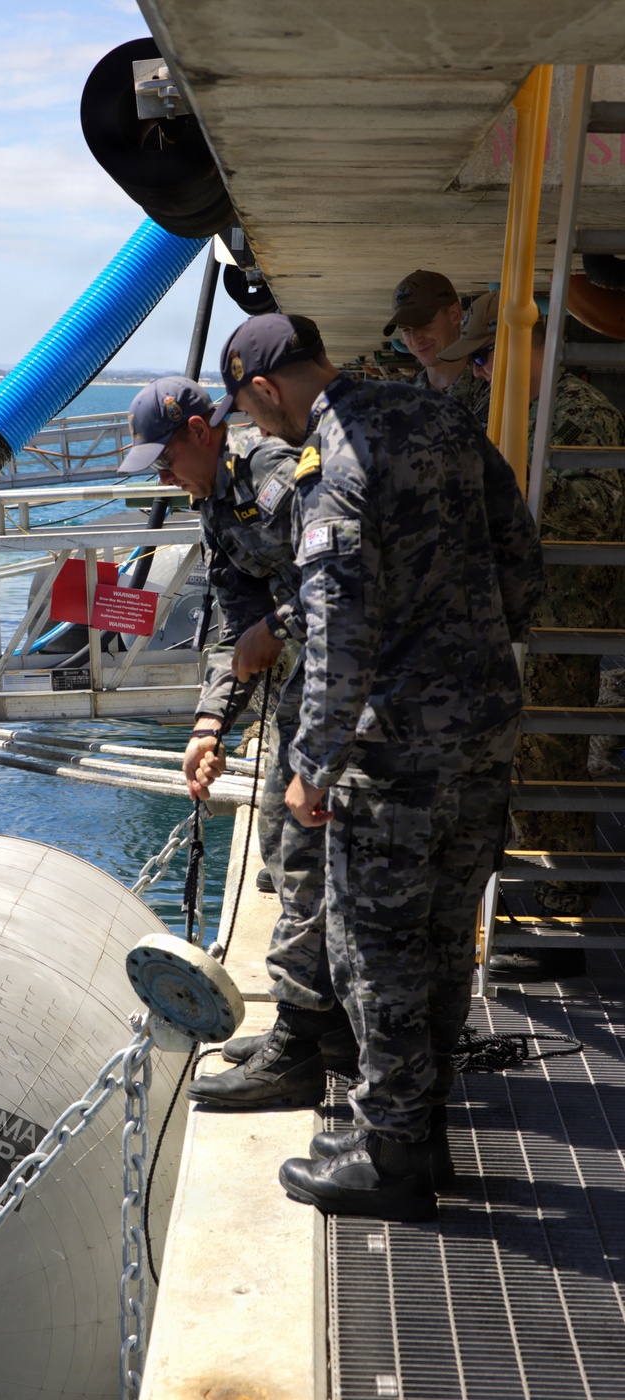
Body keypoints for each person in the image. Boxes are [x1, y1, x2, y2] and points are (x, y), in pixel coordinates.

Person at [211, 312, 544, 1220]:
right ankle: (415, 1132)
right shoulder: (440, 418)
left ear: (266, 388)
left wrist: (312, 764)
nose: (255, 427)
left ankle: (394, 1161)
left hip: (394, 748)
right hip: (483, 725)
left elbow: (338, 629)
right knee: (443, 936)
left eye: (248, 406)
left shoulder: (331, 463)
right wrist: (481, 650)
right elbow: (520, 552)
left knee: (378, 950)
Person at [118, 373, 359, 1109]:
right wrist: (208, 726)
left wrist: (274, 632)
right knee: (285, 848)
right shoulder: (216, 504)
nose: (162, 476)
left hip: (349, 682)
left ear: (202, 432)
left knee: (302, 850)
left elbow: (338, 577)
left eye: (165, 459)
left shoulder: (277, 477)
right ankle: (323, 1031)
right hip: (303, 678)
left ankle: (298, 1047)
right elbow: (235, 625)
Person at [442, 299, 625, 959]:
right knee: (525, 755)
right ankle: (542, 885)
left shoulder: (580, 414)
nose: (483, 374)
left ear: (526, 348)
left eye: (488, 359)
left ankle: (564, 908)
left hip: (561, 616)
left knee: (551, 754)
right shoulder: (528, 410)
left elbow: (587, 519)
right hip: (526, 611)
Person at [385, 268, 489, 417]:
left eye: (423, 325)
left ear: (455, 315)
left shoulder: (493, 389)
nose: (415, 340)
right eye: (406, 330)